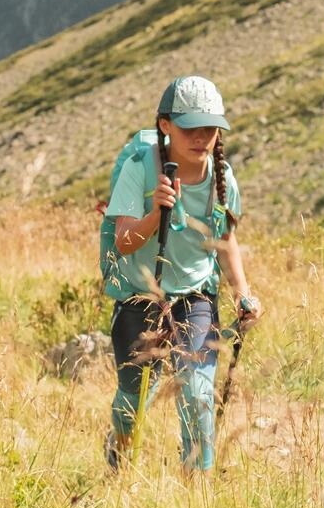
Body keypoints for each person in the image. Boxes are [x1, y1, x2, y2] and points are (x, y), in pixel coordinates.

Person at [98, 76, 260, 475]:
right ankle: (117, 463)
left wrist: (242, 292)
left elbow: (226, 240)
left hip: (195, 297)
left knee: (199, 395)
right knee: (133, 401)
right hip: (141, 295)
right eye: (190, 127)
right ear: (166, 125)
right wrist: (155, 214)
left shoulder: (222, 179)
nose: (201, 137)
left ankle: (196, 499)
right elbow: (123, 242)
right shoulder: (140, 168)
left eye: (210, 128)